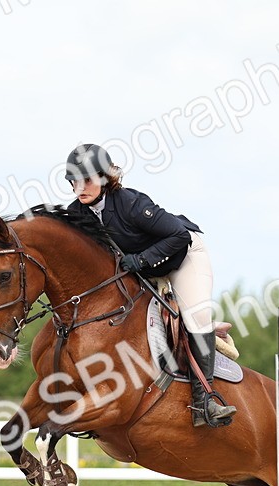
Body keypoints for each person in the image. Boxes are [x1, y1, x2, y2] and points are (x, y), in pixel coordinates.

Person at [63, 143, 236, 428]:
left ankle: (205, 401)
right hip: (145, 267)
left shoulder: (130, 203)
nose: (79, 187)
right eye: (74, 181)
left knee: (197, 316)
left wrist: (141, 259)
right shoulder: (78, 213)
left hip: (182, 257)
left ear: (105, 179)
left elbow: (178, 235)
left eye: (87, 180)